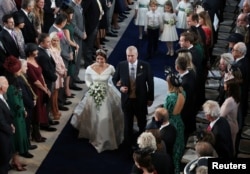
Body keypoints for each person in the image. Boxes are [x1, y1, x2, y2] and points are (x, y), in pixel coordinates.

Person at [71, 49, 124, 153]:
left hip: (107, 92)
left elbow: (116, 77)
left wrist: (120, 82)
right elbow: (87, 80)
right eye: (98, 58)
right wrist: (93, 88)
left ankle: (105, 137)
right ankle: (95, 134)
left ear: (105, 59)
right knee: (95, 115)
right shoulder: (90, 68)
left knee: (105, 114)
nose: (100, 61)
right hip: (94, 92)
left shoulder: (110, 68)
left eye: (102, 59)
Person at [112, 45, 154, 147]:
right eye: (128, 56)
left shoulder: (145, 65)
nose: (130, 58)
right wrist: (120, 88)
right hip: (127, 101)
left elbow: (150, 83)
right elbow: (114, 79)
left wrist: (150, 98)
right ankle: (128, 147)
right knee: (128, 125)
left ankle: (142, 146)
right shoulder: (121, 65)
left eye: (132, 56)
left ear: (137, 55)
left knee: (142, 124)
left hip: (141, 101)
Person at [3, 56, 32, 168]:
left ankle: (16, 160)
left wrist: (23, 109)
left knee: (20, 137)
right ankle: (15, 161)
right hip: (15, 116)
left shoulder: (16, 81)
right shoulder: (10, 86)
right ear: (14, 71)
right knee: (17, 138)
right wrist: (22, 110)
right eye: (19, 69)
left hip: (19, 114)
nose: (21, 70)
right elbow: (14, 103)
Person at [26, 43, 49, 142]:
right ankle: (36, 135)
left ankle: (37, 133)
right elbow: (35, 81)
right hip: (36, 90)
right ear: (30, 52)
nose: (37, 51)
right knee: (37, 112)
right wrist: (45, 89)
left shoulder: (34, 59)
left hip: (42, 87)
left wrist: (46, 86)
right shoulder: (27, 63)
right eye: (35, 50)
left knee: (41, 110)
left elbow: (40, 73)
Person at [163, 71, 185, 174]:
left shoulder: (170, 97)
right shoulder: (183, 92)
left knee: (172, 148)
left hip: (171, 124)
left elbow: (165, 113)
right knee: (178, 146)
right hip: (179, 121)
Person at [220, 64, 242, 155]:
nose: (224, 85)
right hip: (234, 124)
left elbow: (221, 115)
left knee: (229, 148)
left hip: (229, 126)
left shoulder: (229, 101)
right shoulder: (235, 97)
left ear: (229, 88)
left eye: (225, 84)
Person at [49, 32, 67, 120]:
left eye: (57, 40)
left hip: (60, 73)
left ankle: (56, 109)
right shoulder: (50, 50)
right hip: (56, 73)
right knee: (53, 94)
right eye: (53, 40)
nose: (55, 42)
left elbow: (60, 60)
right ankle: (53, 111)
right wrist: (61, 71)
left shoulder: (57, 49)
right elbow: (55, 64)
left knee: (56, 93)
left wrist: (65, 70)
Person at [0, 76, 15, 174]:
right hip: (2, 136)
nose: (8, 85)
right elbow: (0, 121)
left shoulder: (2, 97)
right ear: (0, 87)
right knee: (3, 161)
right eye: (6, 83)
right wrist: (10, 129)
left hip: (6, 133)